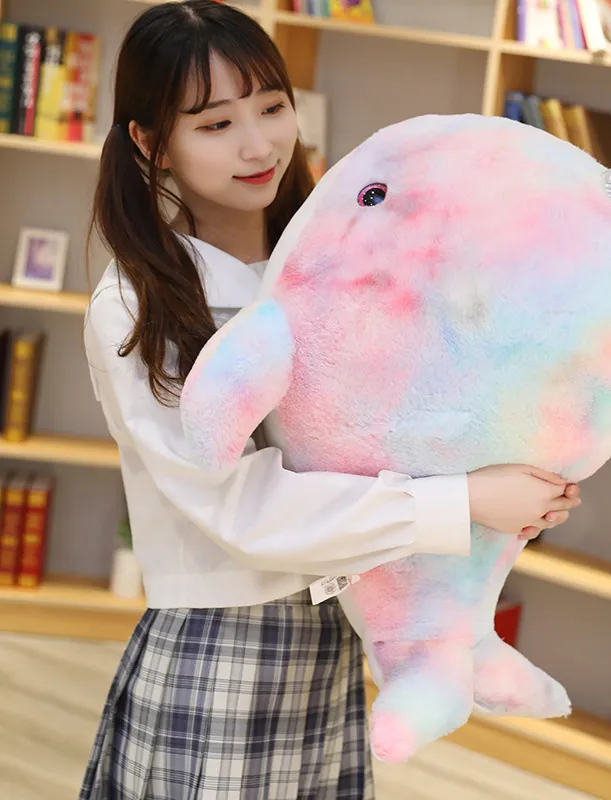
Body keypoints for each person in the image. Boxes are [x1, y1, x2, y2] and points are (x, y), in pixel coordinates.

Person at [79, 2, 581, 798]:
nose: (258, 145)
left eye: (272, 107)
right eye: (215, 124)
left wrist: (509, 471)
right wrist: (463, 500)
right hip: (223, 654)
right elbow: (241, 510)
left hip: (334, 635)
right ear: (151, 143)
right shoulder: (136, 307)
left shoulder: (339, 266)